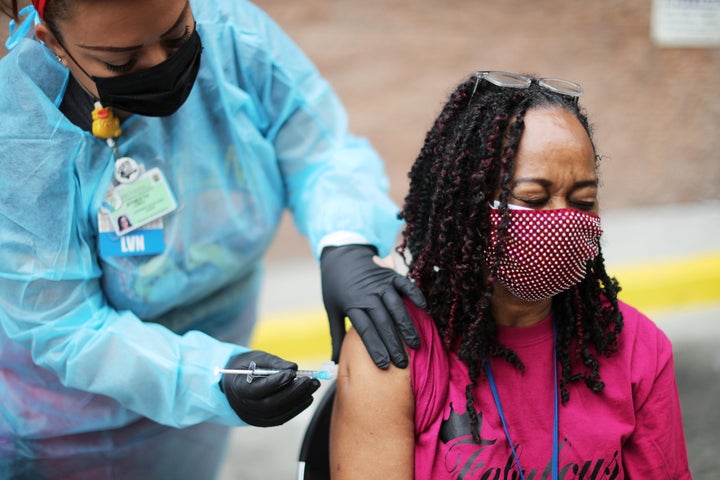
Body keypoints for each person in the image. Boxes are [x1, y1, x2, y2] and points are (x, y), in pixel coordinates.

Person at [0, 0, 425, 477]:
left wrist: (346, 241)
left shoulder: (230, 32)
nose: (163, 65)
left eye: (178, 36)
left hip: (200, 410)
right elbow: (64, 326)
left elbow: (319, 149)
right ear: (51, 41)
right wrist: (206, 378)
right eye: (121, 62)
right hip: (63, 425)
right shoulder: (19, 138)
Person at [330, 71, 692, 479]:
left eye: (582, 200)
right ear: (466, 208)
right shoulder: (395, 348)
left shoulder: (637, 347)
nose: (563, 221)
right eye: (533, 199)